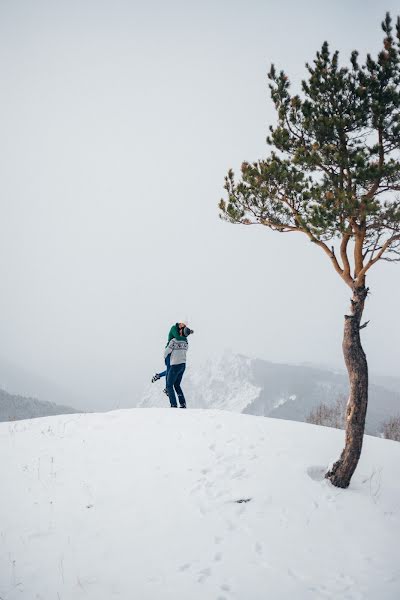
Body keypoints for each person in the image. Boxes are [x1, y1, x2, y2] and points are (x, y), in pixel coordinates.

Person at [164, 323, 193, 408]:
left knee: (169, 385)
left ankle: (173, 404)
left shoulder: (173, 341)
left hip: (175, 365)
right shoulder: (186, 343)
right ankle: (183, 403)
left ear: (181, 332)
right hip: (183, 365)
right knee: (177, 385)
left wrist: (167, 357)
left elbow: (166, 352)